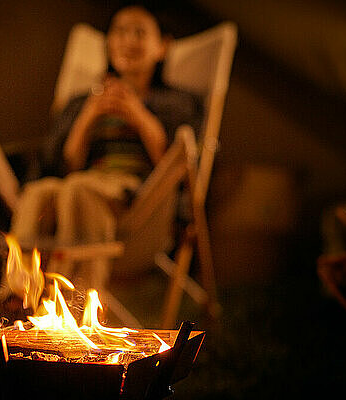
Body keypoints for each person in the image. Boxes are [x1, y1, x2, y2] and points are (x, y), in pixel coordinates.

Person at [10, 5, 203, 287]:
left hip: (137, 205)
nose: (128, 40)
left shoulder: (176, 104)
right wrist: (89, 116)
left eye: (140, 33)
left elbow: (174, 166)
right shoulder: (80, 103)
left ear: (162, 46)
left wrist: (137, 114)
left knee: (79, 189)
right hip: (78, 192)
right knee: (38, 192)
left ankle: (77, 302)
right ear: (109, 42)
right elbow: (65, 165)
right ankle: (17, 293)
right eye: (120, 31)